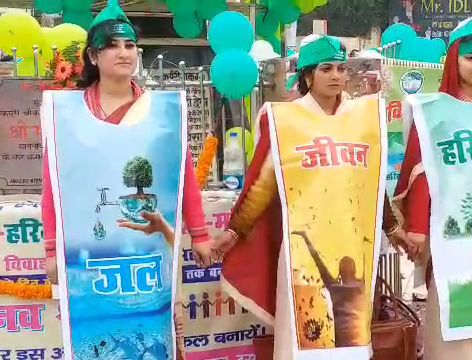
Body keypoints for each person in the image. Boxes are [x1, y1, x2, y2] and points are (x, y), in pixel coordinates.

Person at [206, 35, 411, 360]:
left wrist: (391, 228)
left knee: (351, 340)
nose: (336, 76)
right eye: (326, 68)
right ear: (306, 76)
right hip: (303, 248)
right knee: (304, 338)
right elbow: (262, 184)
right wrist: (235, 231)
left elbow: (369, 181)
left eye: (341, 68)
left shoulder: (363, 119)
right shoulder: (286, 121)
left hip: (353, 244)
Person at [40, 1, 211, 358]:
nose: (124, 52)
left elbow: (184, 179)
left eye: (130, 45)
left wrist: (200, 233)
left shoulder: (163, 114)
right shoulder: (67, 116)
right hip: (89, 261)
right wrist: (53, 250)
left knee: (155, 337)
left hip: (150, 258)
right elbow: (53, 185)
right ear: (92, 56)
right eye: (113, 45)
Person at [395, 16, 472, 360]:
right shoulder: (437, 112)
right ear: (454, 61)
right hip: (451, 230)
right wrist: (416, 229)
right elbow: (420, 172)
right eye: (471, 57)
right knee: (451, 310)